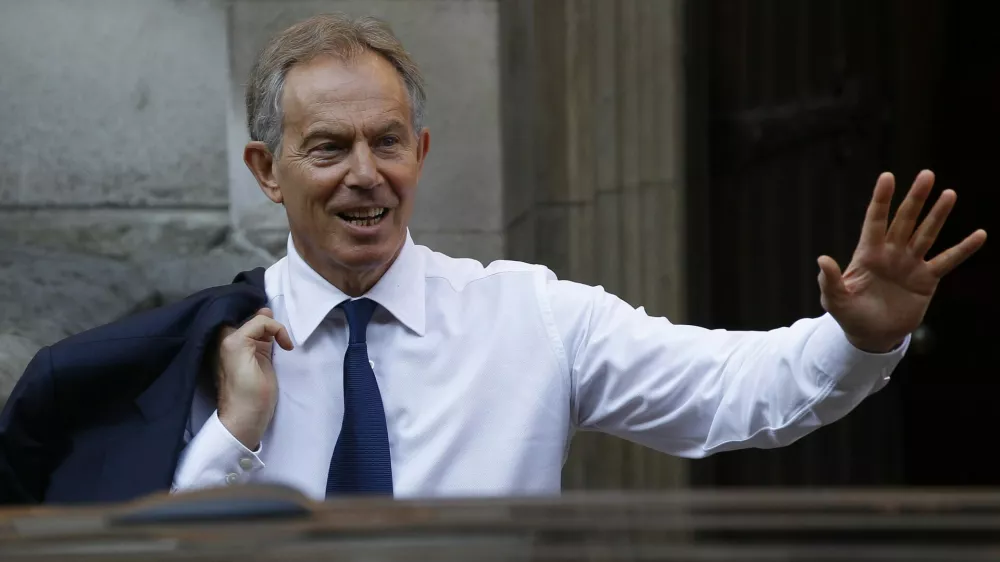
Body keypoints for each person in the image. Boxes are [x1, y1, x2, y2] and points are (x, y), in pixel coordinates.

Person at [0, 14, 987, 505]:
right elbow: (150, 548)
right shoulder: (203, 356)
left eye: (387, 142)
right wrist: (235, 438)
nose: (364, 176)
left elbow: (738, 392)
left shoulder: (532, 318)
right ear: (266, 169)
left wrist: (858, 340)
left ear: (421, 154)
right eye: (328, 148)